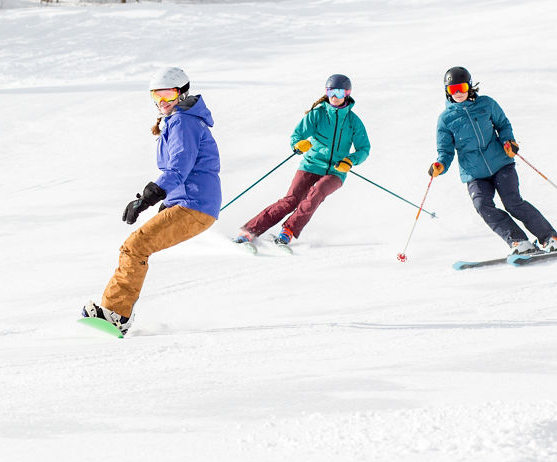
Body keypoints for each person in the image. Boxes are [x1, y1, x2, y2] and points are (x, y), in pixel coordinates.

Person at [82, 67, 221, 334]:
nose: (163, 102)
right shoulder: (178, 121)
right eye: (157, 96)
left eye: (168, 94)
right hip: (192, 203)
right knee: (136, 247)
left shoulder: (184, 121)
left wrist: (145, 199)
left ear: (182, 93)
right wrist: (165, 202)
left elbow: (178, 169)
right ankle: (117, 312)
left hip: (194, 203)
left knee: (135, 246)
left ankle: (116, 315)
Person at [430, 66, 557, 255]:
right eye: (453, 90)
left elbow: (503, 125)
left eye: (461, 87)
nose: (458, 93)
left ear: (469, 86)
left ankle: (551, 237)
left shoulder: (487, 104)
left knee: (513, 203)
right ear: (447, 91)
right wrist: (440, 165)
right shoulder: (446, 119)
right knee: (482, 206)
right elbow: (445, 150)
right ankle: (519, 242)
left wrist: (508, 142)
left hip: (501, 164)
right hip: (474, 173)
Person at [235, 74, 370, 246]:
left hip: (336, 171)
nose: (334, 97)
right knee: (291, 201)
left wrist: (350, 161)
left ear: (347, 93)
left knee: (317, 192)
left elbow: (364, 148)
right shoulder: (317, 115)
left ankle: (288, 231)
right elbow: (297, 135)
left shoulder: (353, 122)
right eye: (331, 92)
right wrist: (298, 145)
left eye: (339, 92)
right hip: (311, 165)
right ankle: (249, 230)